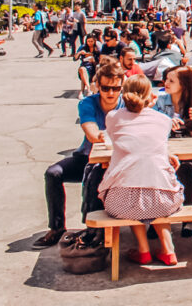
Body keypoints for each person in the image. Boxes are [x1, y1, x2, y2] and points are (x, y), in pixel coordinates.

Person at [34, 62, 125, 248]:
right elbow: (91, 131)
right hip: (87, 157)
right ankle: (57, 228)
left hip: (119, 163)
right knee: (53, 173)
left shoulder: (127, 103)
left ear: (121, 87)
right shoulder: (88, 103)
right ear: (97, 85)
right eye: (106, 88)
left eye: (116, 88)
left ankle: (94, 230)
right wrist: (103, 135)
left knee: (96, 174)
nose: (111, 93)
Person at [98, 74, 184, 265]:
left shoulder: (112, 117)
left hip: (121, 202)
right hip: (165, 200)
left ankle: (143, 250)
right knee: (152, 194)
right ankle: (168, 250)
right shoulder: (163, 120)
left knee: (134, 193)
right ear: (150, 95)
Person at [155, 66, 192, 237]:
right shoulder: (160, 102)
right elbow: (149, 128)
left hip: (190, 153)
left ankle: (188, 217)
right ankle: (158, 219)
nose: (166, 83)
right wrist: (166, 124)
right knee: (159, 171)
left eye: (171, 80)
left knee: (187, 169)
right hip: (164, 152)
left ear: (183, 84)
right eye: (166, 79)